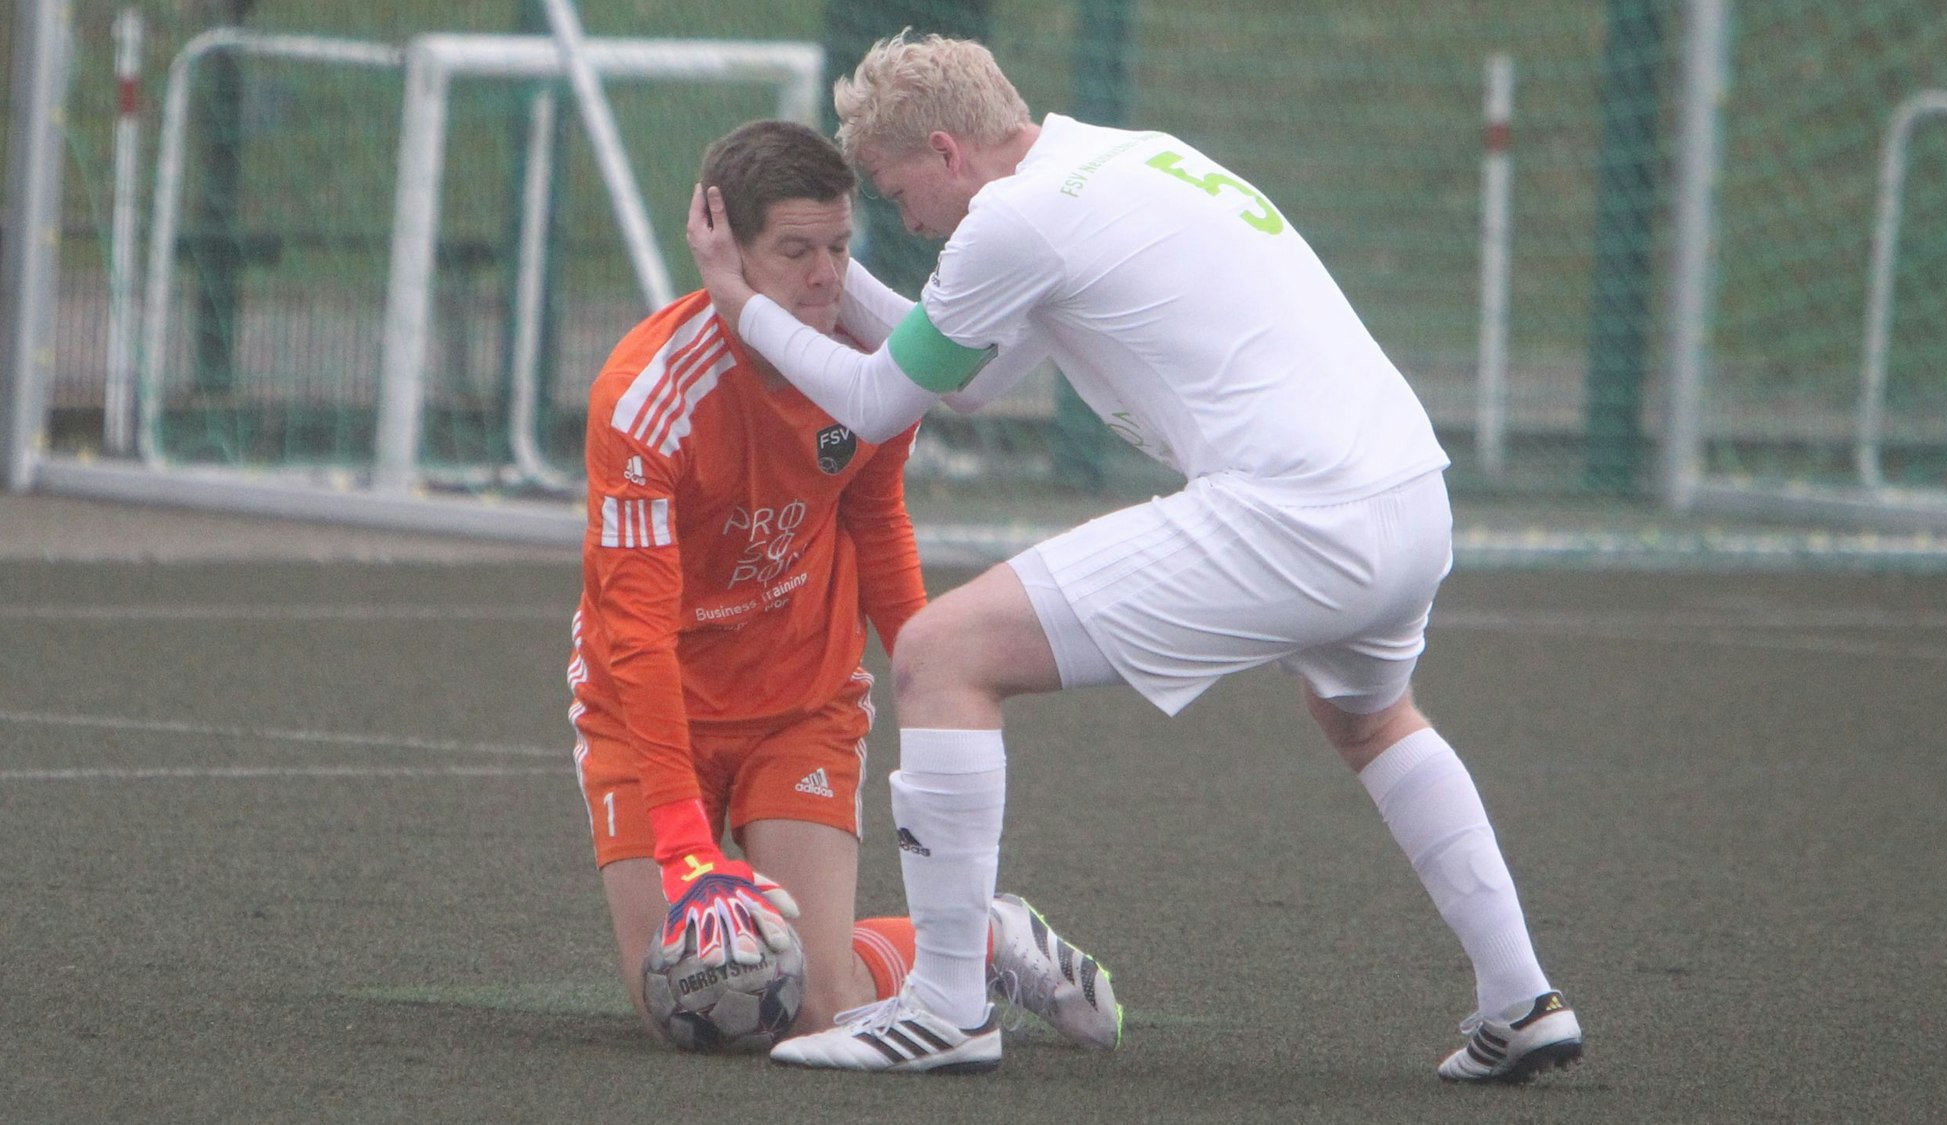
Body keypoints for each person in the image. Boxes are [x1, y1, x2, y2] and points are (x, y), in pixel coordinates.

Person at [684, 33, 1581, 1081]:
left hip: (1294, 513)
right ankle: (1521, 999)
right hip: (1407, 502)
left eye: (894, 189)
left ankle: (941, 1006)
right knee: (1367, 715)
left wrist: (740, 300)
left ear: (944, 150)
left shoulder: (1013, 218)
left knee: (938, 655)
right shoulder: (1120, 156)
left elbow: (883, 398)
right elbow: (964, 377)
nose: (902, 218)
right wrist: (827, 297)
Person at [566, 118, 1121, 1052]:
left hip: (801, 707)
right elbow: (635, 634)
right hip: (647, 712)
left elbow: (875, 523)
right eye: (794, 251)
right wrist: (680, 837)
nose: (826, 276)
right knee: (684, 1000)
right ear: (723, 248)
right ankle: (956, 937)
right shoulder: (645, 398)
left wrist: (927, 671)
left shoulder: (870, 362)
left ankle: (986, 937)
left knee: (812, 1003)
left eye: (838, 246)